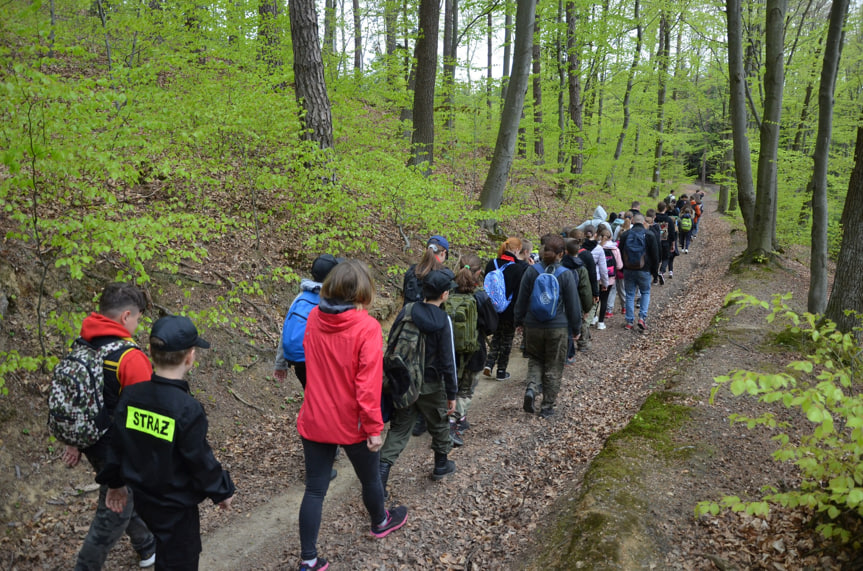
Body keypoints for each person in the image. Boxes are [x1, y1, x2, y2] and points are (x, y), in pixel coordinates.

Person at [97, 315, 235, 571]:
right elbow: (199, 459)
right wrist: (221, 491)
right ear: (190, 357)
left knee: (166, 553)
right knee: (180, 559)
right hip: (176, 507)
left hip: (145, 499)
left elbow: (117, 444)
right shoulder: (186, 408)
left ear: (149, 351)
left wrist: (115, 483)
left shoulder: (131, 396)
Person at [296, 260, 407, 571]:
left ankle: (309, 559)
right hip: (352, 421)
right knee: (369, 477)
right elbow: (367, 383)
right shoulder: (367, 328)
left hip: (315, 416)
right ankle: (380, 521)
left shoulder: (313, 317)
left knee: (315, 488)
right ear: (362, 293)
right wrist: (374, 428)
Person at [61, 282, 156, 571]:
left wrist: (73, 439)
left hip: (90, 439)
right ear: (126, 316)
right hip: (119, 446)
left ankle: (147, 545)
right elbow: (143, 418)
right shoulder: (130, 358)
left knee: (126, 497)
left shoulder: (82, 343)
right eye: (138, 317)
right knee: (112, 514)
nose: (139, 324)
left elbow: (78, 395)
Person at [380, 269, 459, 485]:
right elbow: (448, 360)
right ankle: (441, 465)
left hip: (405, 381)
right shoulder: (443, 320)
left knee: (399, 430)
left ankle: (381, 473)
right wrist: (452, 393)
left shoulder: (407, 310)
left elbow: (392, 343)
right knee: (440, 423)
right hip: (432, 385)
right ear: (444, 295)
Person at [514, 235, 582, 418]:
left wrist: (519, 322)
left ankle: (532, 388)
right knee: (554, 364)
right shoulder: (566, 274)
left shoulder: (531, 271)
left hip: (533, 325)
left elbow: (521, 299)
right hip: (557, 327)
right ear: (562, 254)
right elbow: (573, 305)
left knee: (535, 359)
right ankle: (547, 407)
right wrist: (576, 329)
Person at [449, 254, 498, 445]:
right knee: (467, 389)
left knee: (452, 385)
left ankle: (455, 417)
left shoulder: (449, 293)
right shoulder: (481, 297)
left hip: (450, 350)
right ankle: (454, 423)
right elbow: (492, 326)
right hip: (474, 349)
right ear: (478, 273)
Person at [402, 235, 449, 436]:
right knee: (429, 370)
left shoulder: (411, 271)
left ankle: (408, 408)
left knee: (411, 368)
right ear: (444, 252)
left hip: (410, 325)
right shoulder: (443, 274)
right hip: (433, 327)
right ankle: (423, 418)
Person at [274, 254, 342, 388]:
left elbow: (286, 328)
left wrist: (280, 364)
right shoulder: (331, 302)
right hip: (316, 362)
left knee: (312, 397)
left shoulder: (301, 297)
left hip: (298, 361)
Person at [483, 237, 528, 381]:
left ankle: (489, 364)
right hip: (510, 310)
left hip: (492, 309)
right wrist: (520, 317)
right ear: (516, 250)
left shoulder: (491, 264)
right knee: (507, 339)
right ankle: (501, 371)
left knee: (496, 336)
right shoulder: (518, 269)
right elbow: (520, 293)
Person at [619, 214, 660, 330]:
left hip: (628, 269)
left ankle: (629, 321)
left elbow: (620, 251)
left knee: (630, 294)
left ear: (632, 221)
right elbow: (655, 256)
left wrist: (623, 268)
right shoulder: (649, 235)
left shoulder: (625, 235)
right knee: (645, 292)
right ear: (643, 223)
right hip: (644, 269)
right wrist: (654, 272)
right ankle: (642, 318)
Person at [561, 238, 593, 362]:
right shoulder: (581, 268)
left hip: (560, 303)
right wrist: (587, 307)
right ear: (578, 251)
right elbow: (585, 290)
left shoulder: (559, 265)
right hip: (576, 303)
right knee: (571, 328)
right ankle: (568, 354)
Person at [402, 235, 449, 306]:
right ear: (443, 253)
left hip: (406, 314)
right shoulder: (442, 276)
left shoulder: (412, 270)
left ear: (426, 250)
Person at [597, 227, 622, 330]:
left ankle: (593, 317)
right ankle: (601, 322)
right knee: (604, 299)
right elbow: (619, 265)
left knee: (596, 298)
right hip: (610, 278)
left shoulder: (597, 248)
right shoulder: (615, 249)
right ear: (611, 237)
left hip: (597, 278)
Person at [654, 201, 678, 281]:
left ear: (657, 208)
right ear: (665, 208)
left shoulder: (654, 219)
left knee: (656, 259)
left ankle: (655, 277)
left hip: (655, 241)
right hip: (666, 242)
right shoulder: (669, 220)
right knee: (666, 258)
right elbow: (672, 233)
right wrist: (673, 244)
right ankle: (662, 271)